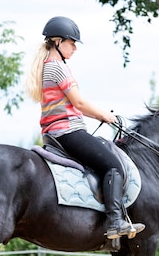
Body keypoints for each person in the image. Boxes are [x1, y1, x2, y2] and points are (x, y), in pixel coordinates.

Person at [25, 16, 145, 240]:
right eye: (72, 43)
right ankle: (115, 221)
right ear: (58, 42)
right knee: (112, 164)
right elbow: (79, 103)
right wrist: (104, 116)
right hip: (68, 131)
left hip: (54, 133)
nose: (75, 48)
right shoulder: (58, 68)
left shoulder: (47, 67)